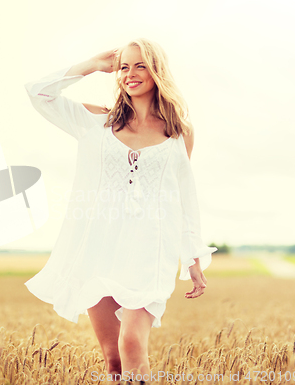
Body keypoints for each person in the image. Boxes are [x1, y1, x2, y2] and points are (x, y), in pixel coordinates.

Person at [23, 38, 217, 384]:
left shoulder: (179, 133)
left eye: (140, 65)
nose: (130, 74)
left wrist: (192, 254)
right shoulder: (94, 122)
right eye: (124, 66)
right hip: (98, 248)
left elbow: (183, 196)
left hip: (150, 249)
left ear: (157, 71)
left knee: (131, 343)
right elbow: (38, 92)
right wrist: (91, 64)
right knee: (113, 360)